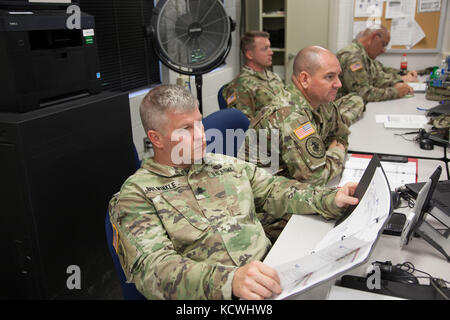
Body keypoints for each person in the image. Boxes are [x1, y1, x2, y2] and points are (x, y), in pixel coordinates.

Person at [108, 84, 359, 300]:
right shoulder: (136, 195)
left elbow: (275, 190)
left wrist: (330, 198)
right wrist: (230, 281)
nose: (201, 136)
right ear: (157, 138)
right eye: (186, 129)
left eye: (199, 123)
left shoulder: (223, 165)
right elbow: (153, 270)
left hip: (272, 276)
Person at [239, 46, 351, 187]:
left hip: (290, 183)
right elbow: (314, 180)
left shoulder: (322, 102)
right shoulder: (290, 116)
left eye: (338, 75)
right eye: (330, 77)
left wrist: (329, 156)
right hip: (266, 193)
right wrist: (337, 152)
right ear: (304, 79)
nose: (339, 84)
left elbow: (342, 135)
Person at [337, 25, 417, 103]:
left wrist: (396, 83)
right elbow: (363, 93)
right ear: (374, 37)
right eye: (383, 44)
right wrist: (396, 92)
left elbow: (376, 79)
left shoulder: (364, 55)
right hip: (342, 109)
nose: (383, 50)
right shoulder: (353, 57)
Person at [221, 31, 288, 119]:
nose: (271, 52)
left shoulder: (273, 76)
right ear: (249, 54)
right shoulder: (240, 86)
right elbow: (245, 126)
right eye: (265, 49)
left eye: (270, 47)